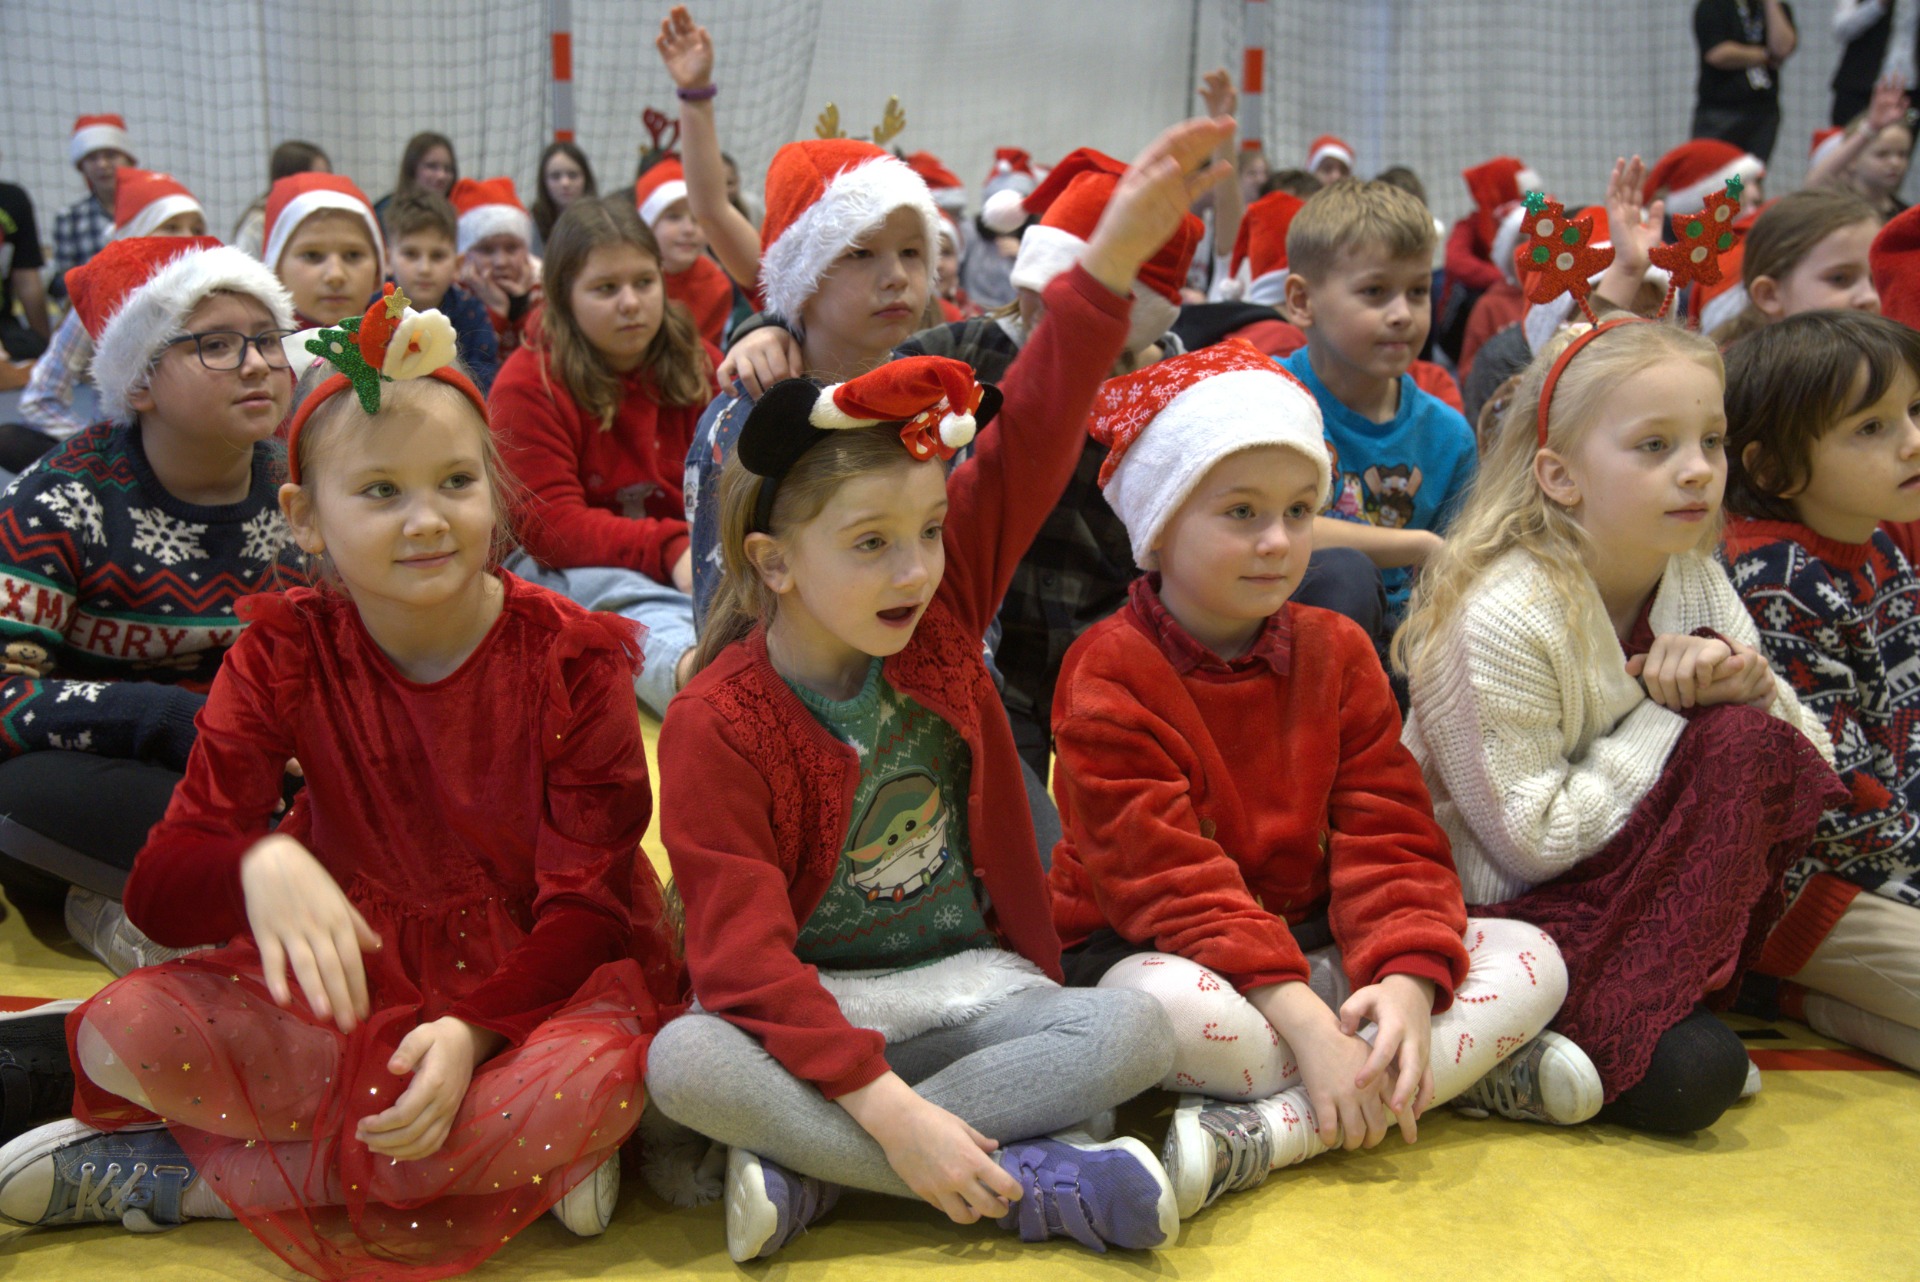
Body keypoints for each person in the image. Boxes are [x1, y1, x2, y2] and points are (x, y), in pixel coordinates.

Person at [646, 118, 1235, 1263]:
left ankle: (814, 1173)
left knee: (1133, 1030)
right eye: (870, 544)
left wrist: (1111, 262)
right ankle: (1015, 1176)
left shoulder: (943, 609)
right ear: (774, 563)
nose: (915, 570)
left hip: (966, 993)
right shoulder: (719, 717)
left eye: (927, 532)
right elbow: (744, 968)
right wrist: (890, 1112)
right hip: (802, 1013)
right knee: (684, 1059)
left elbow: (1038, 427)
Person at [0, 293, 681, 1280]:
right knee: (121, 1032)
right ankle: (500, 1162)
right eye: (380, 491)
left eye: (456, 482)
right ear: (304, 519)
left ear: (495, 493)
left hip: (538, 981)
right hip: (355, 974)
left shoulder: (572, 658)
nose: (427, 519)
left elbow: (587, 905)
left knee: (596, 1082)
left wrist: (472, 1033)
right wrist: (254, 863)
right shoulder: (282, 652)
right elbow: (159, 894)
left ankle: (196, 1178)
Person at [1046, 343, 1583, 1220]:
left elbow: (1391, 833)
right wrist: (1303, 1019)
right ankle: (1436, 1076)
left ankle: (1271, 1131)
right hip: (1165, 957)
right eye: (1242, 512)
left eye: (1300, 511)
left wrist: (1405, 980)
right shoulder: (1106, 671)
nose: (1277, 541)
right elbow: (1167, 884)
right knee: (1153, 1018)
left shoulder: (1337, 650)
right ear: (1159, 525)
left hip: (1318, 950)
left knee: (1534, 958)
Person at [1397, 318, 1843, 1133]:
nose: (1698, 470)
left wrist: (1754, 689)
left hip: (1621, 904)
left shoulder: (1693, 577)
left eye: (1712, 441)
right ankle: (1513, 1043)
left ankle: (1562, 1042)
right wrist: (1671, 713)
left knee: (1747, 742)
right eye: (1655, 446)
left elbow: (1808, 767)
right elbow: (1530, 845)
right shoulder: (1504, 612)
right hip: (1503, 920)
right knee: (1695, 1075)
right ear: (1560, 476)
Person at [0, 237, 304, 984]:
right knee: (19, 793)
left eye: (267, 339)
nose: (256, 365)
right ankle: (142, 903)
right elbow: (6, 695)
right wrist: (176, 723)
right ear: (139, 382)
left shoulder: (301, 481)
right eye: (216, 345)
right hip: (115, 767)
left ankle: (171, 900)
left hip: (258, 764)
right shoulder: (58, 500)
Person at [1720, 310, 1920, 1073]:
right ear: (1774, 469)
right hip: (1811, 885)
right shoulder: (1775, 581)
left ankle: (1791, 999)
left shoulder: (1879, 548)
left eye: (1914, 411)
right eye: (1871, 427)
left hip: (1888, 858)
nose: (1912, 440)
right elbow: (1830, 793)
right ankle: (1769, 975)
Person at [489, 195, 716, 716]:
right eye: (606, 288)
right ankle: (697, 673)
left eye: (644, 282)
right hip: (575, 566)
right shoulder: (527, 383)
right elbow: (551, 528)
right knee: (595, 592)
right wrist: (669, 548)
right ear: (562, 297)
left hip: (687, 558)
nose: (631, 303)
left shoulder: (698, 361)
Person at [1281, 178, 1476, 624]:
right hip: (1282, 627)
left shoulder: (1449, 437)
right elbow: (1269, 529)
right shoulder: (1267, 394)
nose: (1402, 314)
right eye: (1374, 291)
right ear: (1302, 301)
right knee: (1344, 577)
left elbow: (1459, 572)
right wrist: (1419, 545)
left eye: (1418, 291)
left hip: (1406, 640)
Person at [21, 170, 209, 443]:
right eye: (170, 227)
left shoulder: (215, 298)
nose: (188, 238)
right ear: (135, 235)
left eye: (197, 230)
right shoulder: (103, 301)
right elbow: (40, 398)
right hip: (125, 451)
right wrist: (95, 449)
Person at [1707, 187, 1882, 344]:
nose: (1870, 297)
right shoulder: (1726, 370)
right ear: (1769, 295)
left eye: (1877, 281)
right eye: (1840, 278)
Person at [385, 191, 500, 393]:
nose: (424, 269)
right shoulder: (372, 311)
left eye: (437, 256)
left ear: (458, 264)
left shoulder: (472, 315)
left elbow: (482, 387)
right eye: (411, 254)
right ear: (387, 260)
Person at [262, 173, 385, 329]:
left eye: (353, 255)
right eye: (312, 255)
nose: (335, 275)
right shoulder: (250, 343)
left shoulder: (406, 338)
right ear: (275, 270)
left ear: (378, 270)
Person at [633, 157, 735, 347]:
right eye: (673, 217)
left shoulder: (716, 285)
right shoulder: (627, 277)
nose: (689, 229)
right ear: (647, 224)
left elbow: (706, 356)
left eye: (697, 218)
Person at [1692, 0, 1798, 164]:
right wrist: (1767, 56)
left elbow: (1782, 48)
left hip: (1763, 111)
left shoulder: (1777, 8)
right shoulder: (1714, 6)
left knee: (1748, 177)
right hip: (1720, 111)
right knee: (1712, 173)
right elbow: (1718, 54)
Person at [47, 115, 136, 307]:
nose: (102, 165)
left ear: (129, 159)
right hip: (93, 315)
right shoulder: (69, 219)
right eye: (92, 158)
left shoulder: (152, 211)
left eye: (110, 155)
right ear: (82, 166)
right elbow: (63, 283)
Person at [451, 177, 541, 360]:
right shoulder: (454, 294)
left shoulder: (542, 288)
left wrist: (520, 306)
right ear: (464, 255)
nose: (501, 262)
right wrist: (496, 310)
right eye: (486, 250)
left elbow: (542, 361)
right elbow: (470, 367)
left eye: (511, 248)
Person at [231, 140, 331, 260]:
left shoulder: (326, 217)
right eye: (317, 178)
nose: (326, 185)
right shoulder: (257, 225)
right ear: (291, 178)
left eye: (328, 177)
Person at [1831, 0, 1918, 125]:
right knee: (1852, 132)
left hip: (1910, 92)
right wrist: (1879, 4)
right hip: (1859, 89)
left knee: (1905, 132)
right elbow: (1841, 29)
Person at [0, 169, 49, 371]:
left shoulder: (12, 199)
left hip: (5, 326)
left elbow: (27, 280)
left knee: (33, 347)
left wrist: (48, 351)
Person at [372, 130, 457, 225]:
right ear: (411, 168)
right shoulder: (384, 213)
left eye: (448, 169)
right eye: (431, 166)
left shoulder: (457, 213)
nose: (441, 176)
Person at [530, 140, 596, 254]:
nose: (565, 183)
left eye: (573, 175)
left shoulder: (599, 220)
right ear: (544, 182)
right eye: (555, 176)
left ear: (586, 179)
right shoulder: (532, 224)